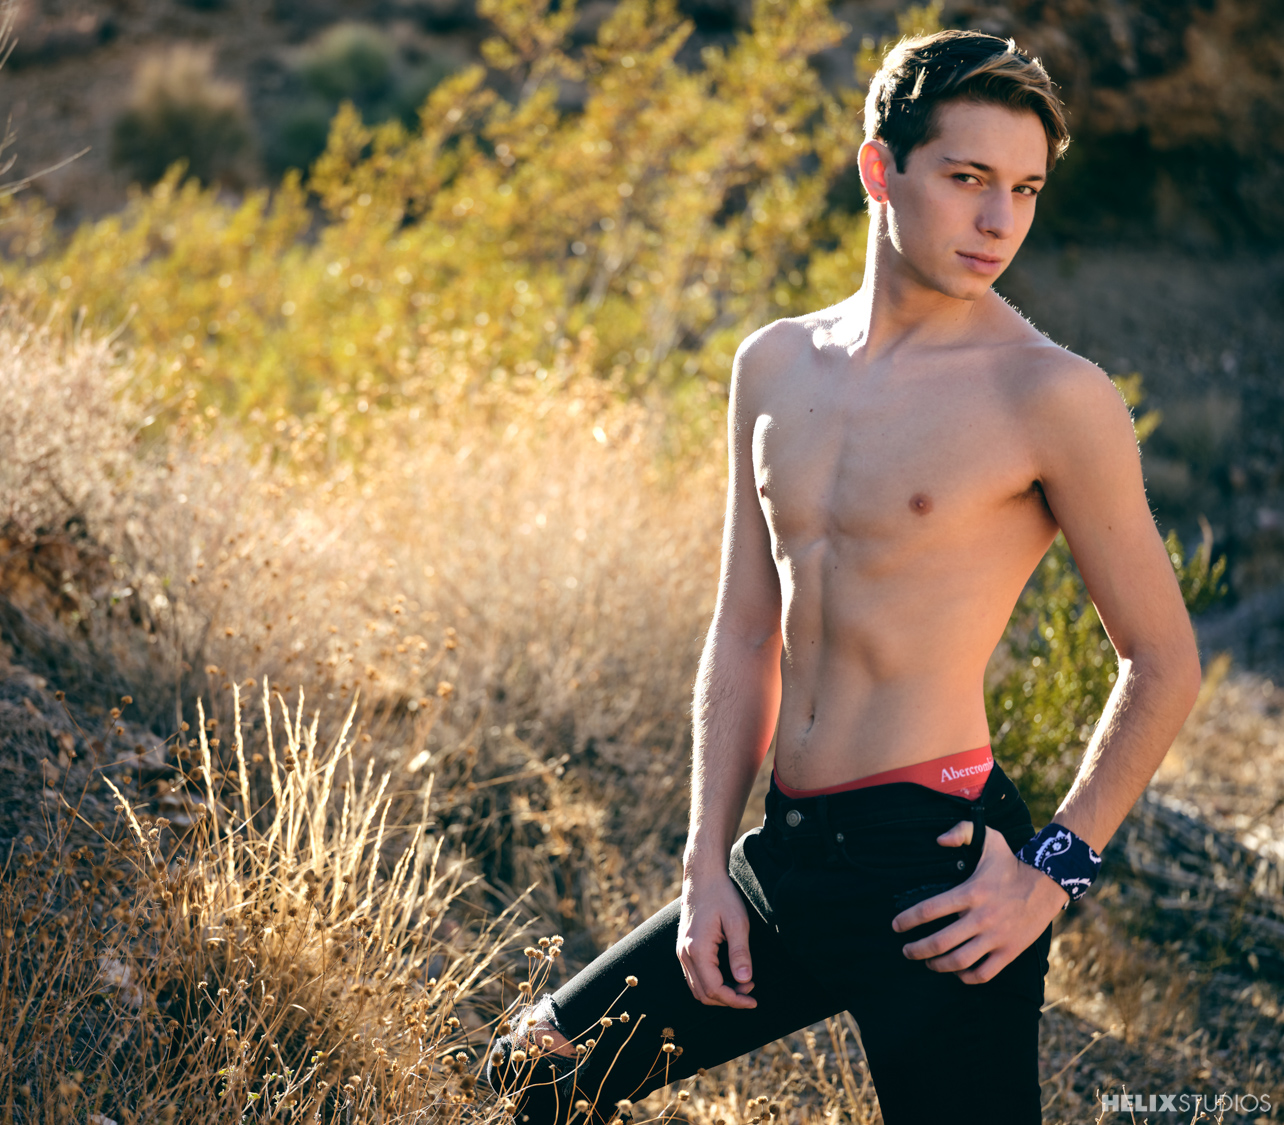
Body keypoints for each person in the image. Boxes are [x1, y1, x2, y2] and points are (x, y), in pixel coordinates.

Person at [483, 29, 1203, 1125]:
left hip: (942, 877)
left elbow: (1162, 660)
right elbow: (743, 631)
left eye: (1024, 189)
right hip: (787, 857)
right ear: (880, 168)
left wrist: (1048, 876)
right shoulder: (774, 365)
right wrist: (705, 868)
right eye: (968, 178)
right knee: (531, 1075)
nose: (999, 221)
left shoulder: (1052, 397)